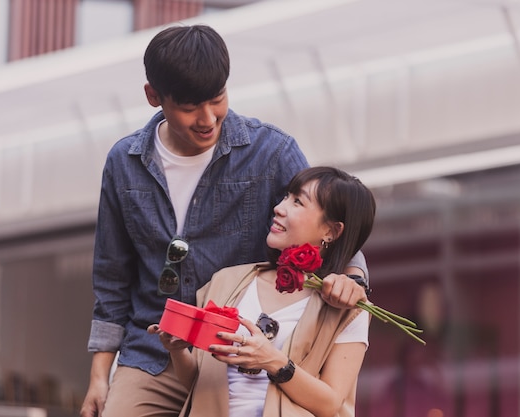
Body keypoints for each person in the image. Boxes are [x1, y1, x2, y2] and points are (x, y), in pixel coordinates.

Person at [80, 25, 369, 417]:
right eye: (188, 106)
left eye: (217, 99)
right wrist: (100, 376)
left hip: (237, 354)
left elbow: (326, 221)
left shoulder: (271, 151)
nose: (207, 118)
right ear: (153, 97)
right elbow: (112, 278)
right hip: (152, 353)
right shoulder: (123, 162)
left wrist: (351, 279)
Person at [149, 166, 376, 417]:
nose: (279, 208)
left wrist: (273, 361)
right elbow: (199, 384)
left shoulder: (348, 309)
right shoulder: (226, 282)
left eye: (298, 202)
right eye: (286, 197)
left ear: (331, 231)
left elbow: (330, 403)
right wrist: (178, 349)